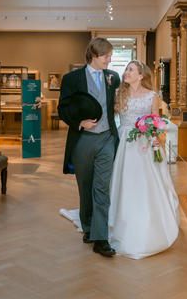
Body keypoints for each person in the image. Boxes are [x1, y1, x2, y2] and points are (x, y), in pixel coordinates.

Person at [108, 60, 180, 259]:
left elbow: (155, 122)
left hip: (144, 145)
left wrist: (156, 139)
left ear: (141, 75)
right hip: (124, 144)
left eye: (131, 70)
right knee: (126, 183)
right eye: (126, 69)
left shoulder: (152, 96)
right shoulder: (119, 94)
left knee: (146, 184)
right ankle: (122, 223)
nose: (126, 72)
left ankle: (150, 226)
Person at [58, 37, 120, 257]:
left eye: (110, 55)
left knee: (102, 187)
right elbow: (63, 108)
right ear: (93, 56)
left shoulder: (113, 77)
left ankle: (100, 237)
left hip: (106, 139)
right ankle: (87, 226)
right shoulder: (72, 79)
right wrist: (79, 123)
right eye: (106, 56)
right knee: (85, 186)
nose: (109, 60)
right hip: (82, 140)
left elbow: (119, 103)